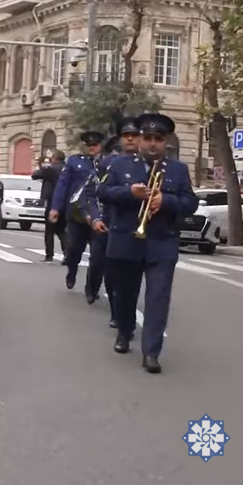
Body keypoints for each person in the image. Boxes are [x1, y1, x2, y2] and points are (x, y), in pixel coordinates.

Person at [98, 113, 197, 373]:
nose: (153, 144)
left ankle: (151, 352)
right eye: (148, 138)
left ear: (166, 142)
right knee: (124, 294)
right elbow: (102, 192)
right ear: (140, 140)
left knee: (158, 299)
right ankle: (125, 330)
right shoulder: (119, 164)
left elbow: (190, 203)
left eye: (158, 139)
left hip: (162, 243)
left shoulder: (177, 169)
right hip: (126, 240)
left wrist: (166, 200)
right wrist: (129, 192)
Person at [86, 118, 141, 329]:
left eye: (135, 135)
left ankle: (123, 317)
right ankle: (115, 311)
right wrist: (95, 217)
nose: (130, 139)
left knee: (130, 277)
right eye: (126, 135)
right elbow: (94, 193)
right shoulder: (108, 164)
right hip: (108, 222)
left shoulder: (149, 163)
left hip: (135, 226)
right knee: (108, 271)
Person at [50, 131, 104, 295]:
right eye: (89, 145)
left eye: (95, 145)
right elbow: (63, 185)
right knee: (73, 249)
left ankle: (92, 287)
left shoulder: (106, 163)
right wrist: (55, 208)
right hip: (76, 214)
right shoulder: (74, 162)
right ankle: (71, 272)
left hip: (98, 214)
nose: (92, 148)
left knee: (97, 255)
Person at [32, 150, 67, 261]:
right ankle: (67, 254)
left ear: (54, 158)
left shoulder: (51, 169)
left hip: (52, 202)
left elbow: (35, 175)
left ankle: (49, 255)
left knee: (49, 231)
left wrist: (41, 166)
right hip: (65, 203)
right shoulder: (67, 168)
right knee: (62, 230)